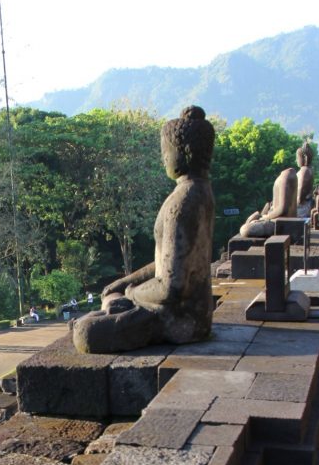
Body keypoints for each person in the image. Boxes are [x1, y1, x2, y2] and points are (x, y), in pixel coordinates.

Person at [72, 106, 215, 353]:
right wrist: (127, 281)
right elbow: (168, 263)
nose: (163, 158)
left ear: (183, 152)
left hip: (177, 319)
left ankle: (105, 312)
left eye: (165, 151)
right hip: (195, 314)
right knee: (111, 295)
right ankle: (109, 308)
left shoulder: (182, 203)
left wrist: (131, 293)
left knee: (85, 332)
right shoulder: (200, 191)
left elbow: (171, 288)